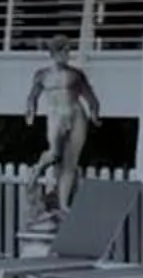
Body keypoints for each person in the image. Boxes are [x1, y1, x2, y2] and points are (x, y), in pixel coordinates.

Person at [25, 37, 99, 207]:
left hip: (76, 114)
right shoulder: (42, 75)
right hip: (56, 115)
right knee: (55, 153)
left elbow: (89, 95)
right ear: (54, 53)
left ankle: (63, 204)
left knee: (70, 163)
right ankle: (37, 170)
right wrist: (30, 112)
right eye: (64, 51)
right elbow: (32, 96)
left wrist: (94, 112)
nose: (67, 54)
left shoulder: (76, 74)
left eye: (68, 51)